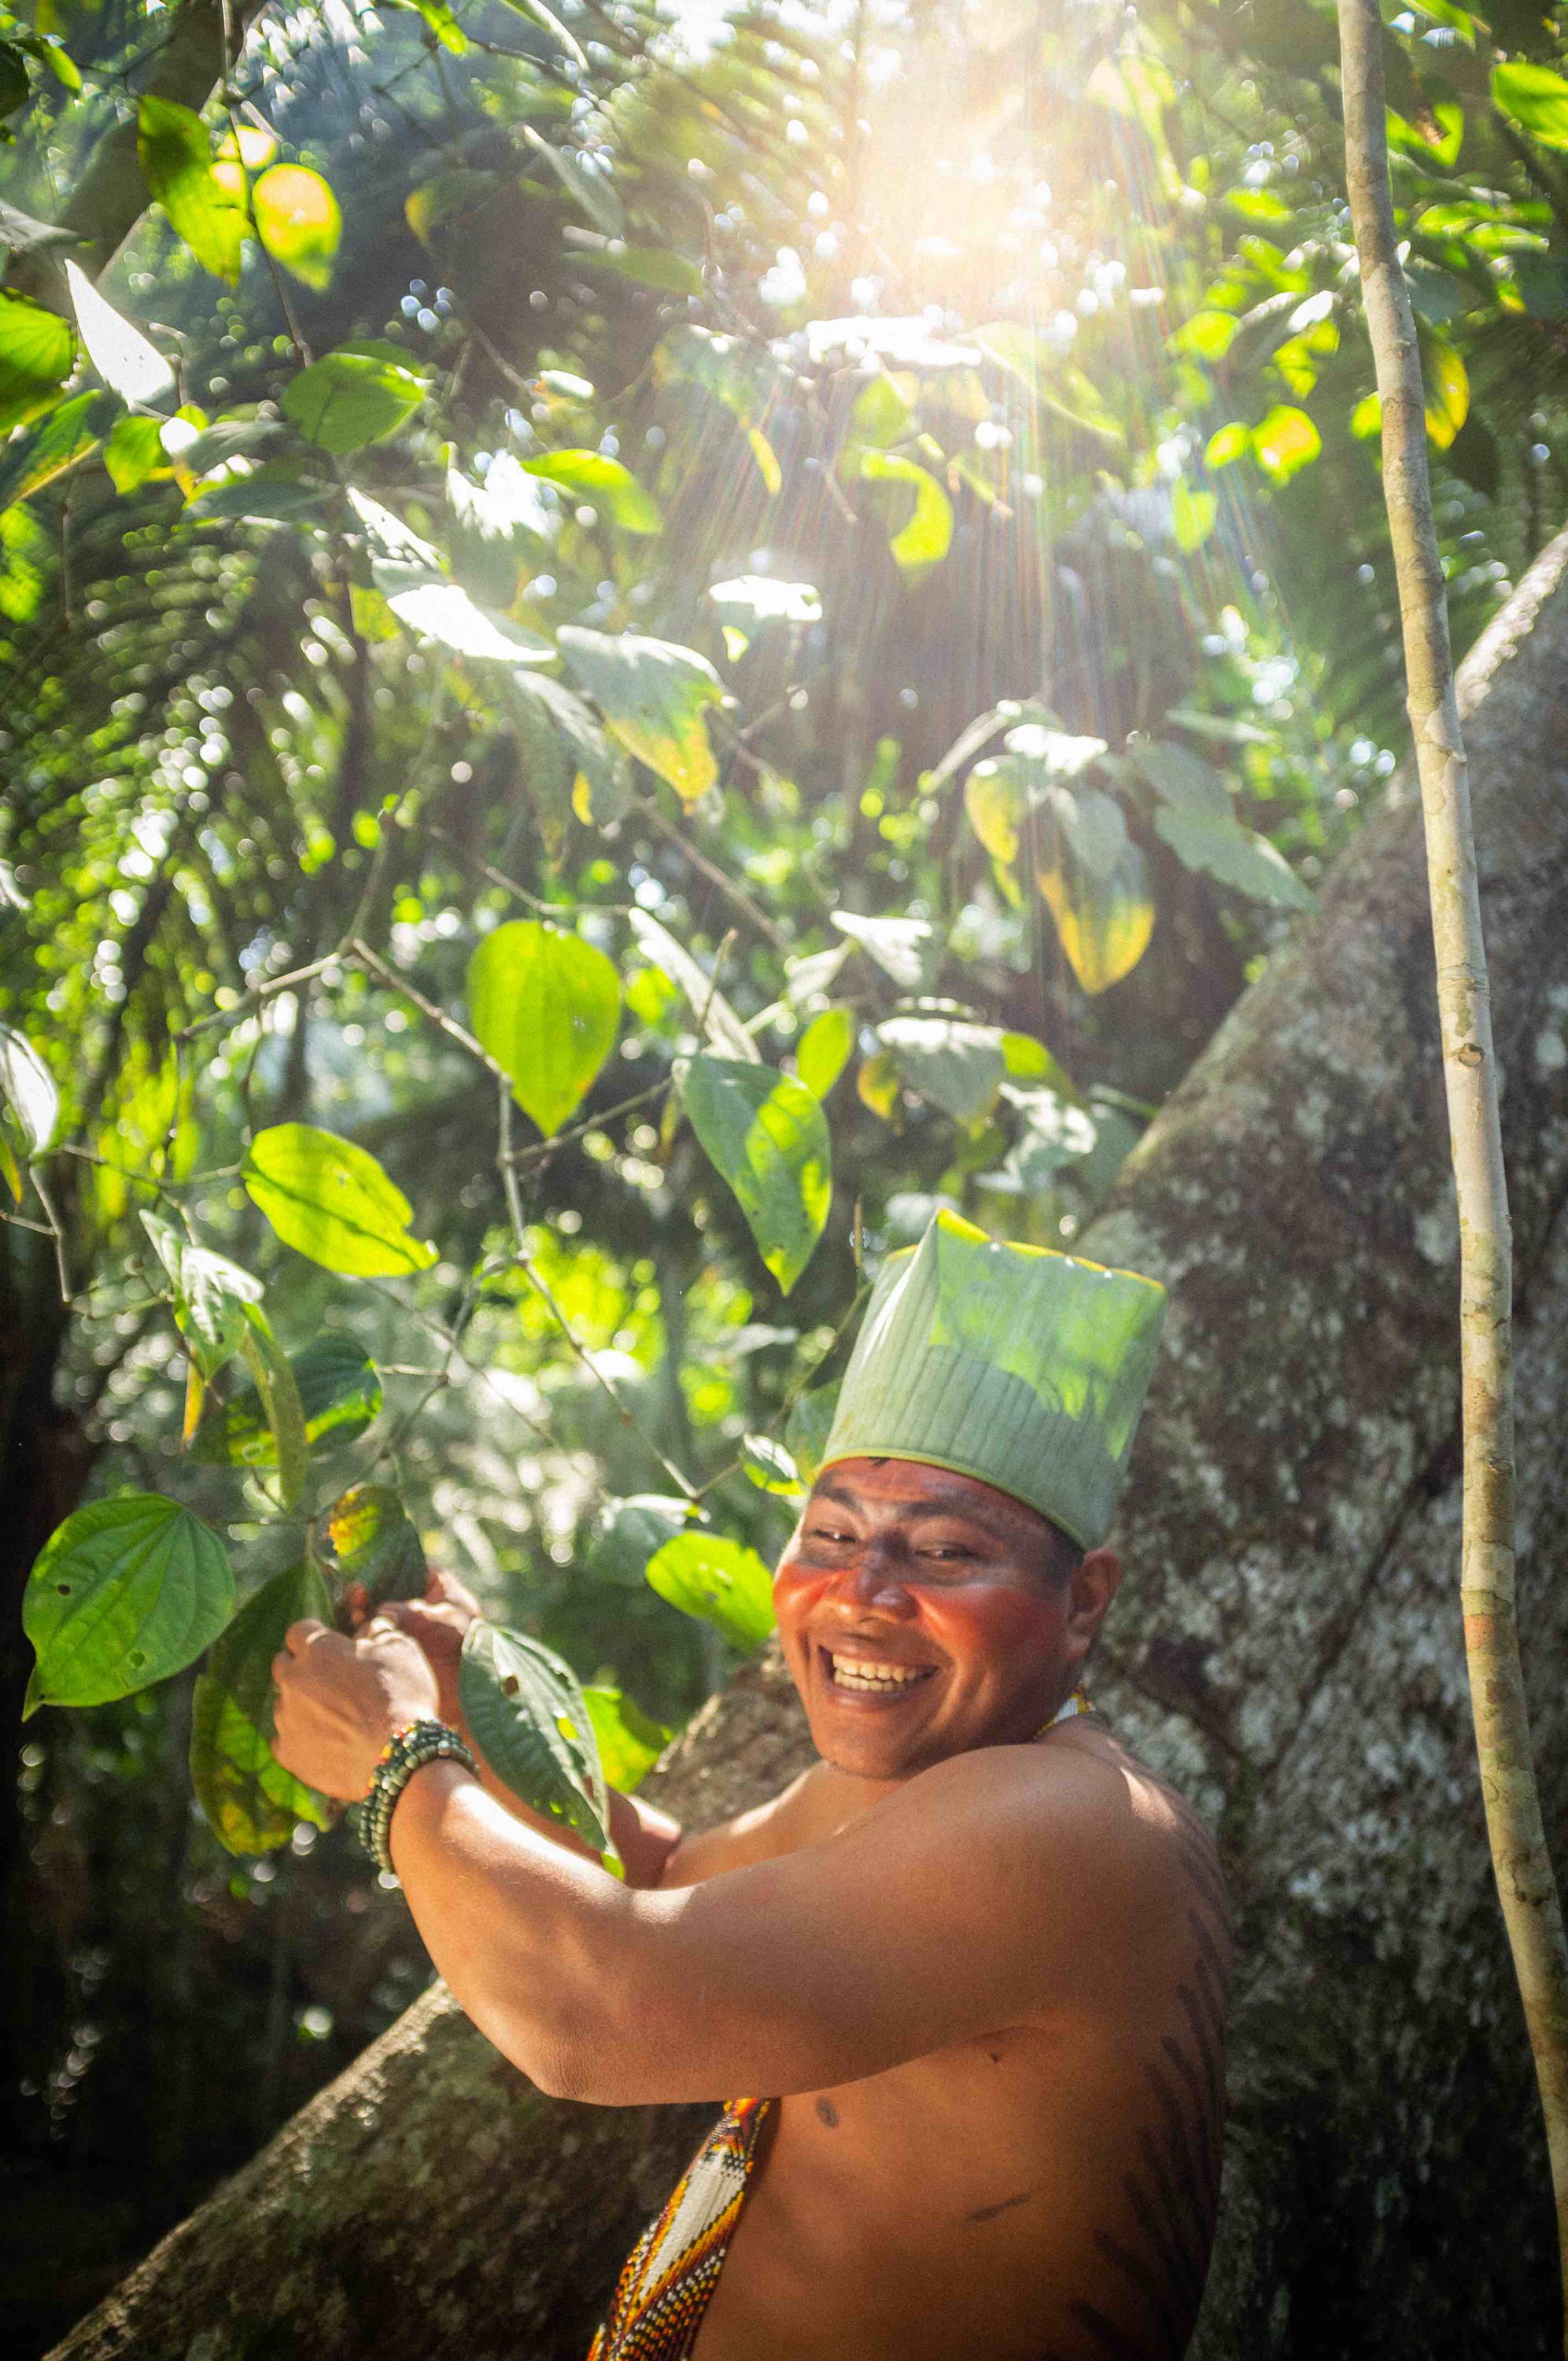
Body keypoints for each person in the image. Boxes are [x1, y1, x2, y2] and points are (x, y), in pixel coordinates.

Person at [273, 1211, 1231, 2361]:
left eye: (940, 1552)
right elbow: (660, 1880)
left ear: (1083, 1602)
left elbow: (592, 2012)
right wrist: (476, 1696)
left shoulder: (1073, 1827)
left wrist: (395, 1757)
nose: (861, 1593)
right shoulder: (925, 1791)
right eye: (830, 1533)